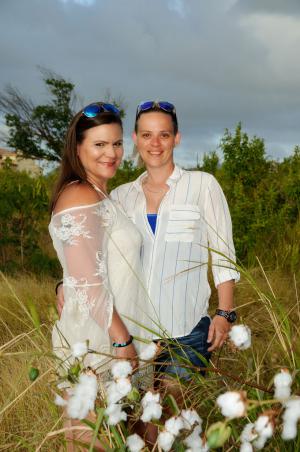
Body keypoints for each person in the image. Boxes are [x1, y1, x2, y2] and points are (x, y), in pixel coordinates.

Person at [109, 100, 240, 379]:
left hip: (188, 330)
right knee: (139, 419)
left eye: (164, 135)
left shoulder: (203, 185)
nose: (155, 143)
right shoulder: (120, 196)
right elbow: (98, 256)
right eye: (146, 135)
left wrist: (225, 313)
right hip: (134, 332)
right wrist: (64, 285)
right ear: (135, 139)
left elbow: (223, 254)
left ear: (176, 139)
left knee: (176, 415)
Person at [49, 101, 150, 450]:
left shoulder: (102, 196)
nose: (112, 153)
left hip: (121, 336)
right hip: (101, 344)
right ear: (78, 149)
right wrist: (122, 342)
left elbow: (84, 266)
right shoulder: (79, 194)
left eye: (118, 143)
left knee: (124, 439)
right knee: (94, 441)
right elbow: (88, 281)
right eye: (100, 144)